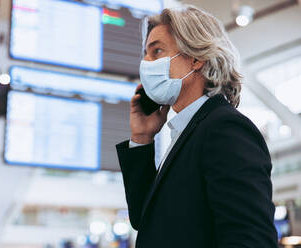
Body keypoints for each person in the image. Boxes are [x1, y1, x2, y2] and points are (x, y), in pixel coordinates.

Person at [115, 5, 278, 248]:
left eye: (156, 51)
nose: (145, 63)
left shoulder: (224, 129)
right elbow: (145, 219)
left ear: (196, 57)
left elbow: (250, 239)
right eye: (145, 54)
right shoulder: (186, 132)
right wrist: (142, 138)